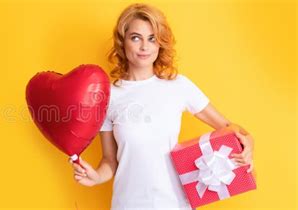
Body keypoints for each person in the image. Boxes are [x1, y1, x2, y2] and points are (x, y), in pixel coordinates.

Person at [69, 3, 254, 210]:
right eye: (136, 37)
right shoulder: (108, 96)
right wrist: (95, 177)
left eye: (152, 38)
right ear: (123, 42)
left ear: (160, 44)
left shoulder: (178, 86)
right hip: (127, 205)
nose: (144, 47)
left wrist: (248, 142)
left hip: (175, 204)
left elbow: (229, 128)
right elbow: (110, 160)